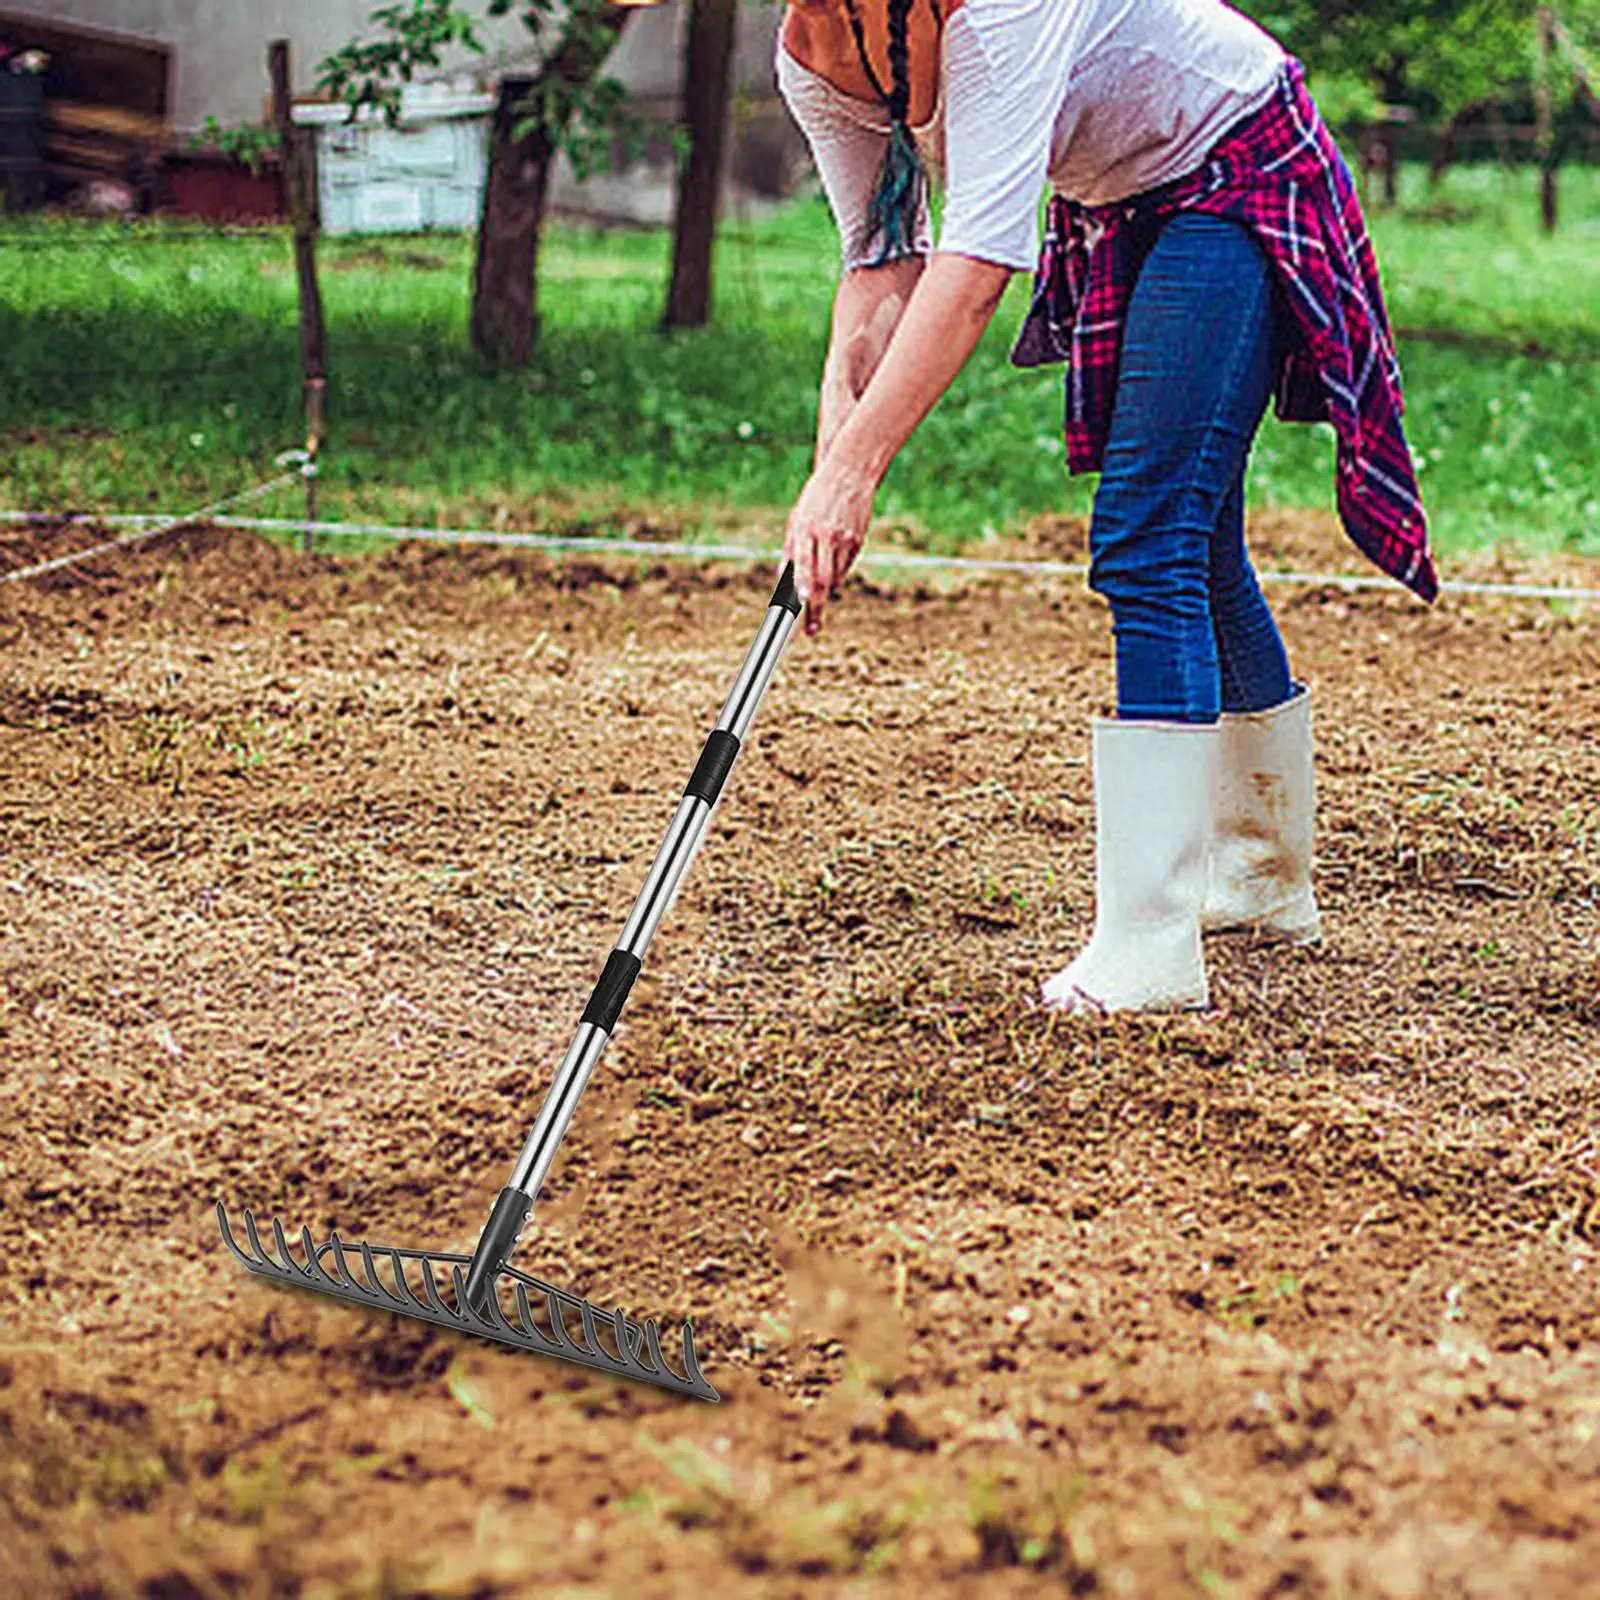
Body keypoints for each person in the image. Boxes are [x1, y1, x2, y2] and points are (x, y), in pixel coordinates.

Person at [775, 0, 1438, 1015]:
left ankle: (1151, 942)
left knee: (1147, 537)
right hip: (1126, 205)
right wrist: (836, 445)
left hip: (1238, 164)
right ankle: (1263, 878)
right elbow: (880, 259)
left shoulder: (997, 8)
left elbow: (976, 267)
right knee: (1194, 542)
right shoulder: (812, 54)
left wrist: (858, 472)